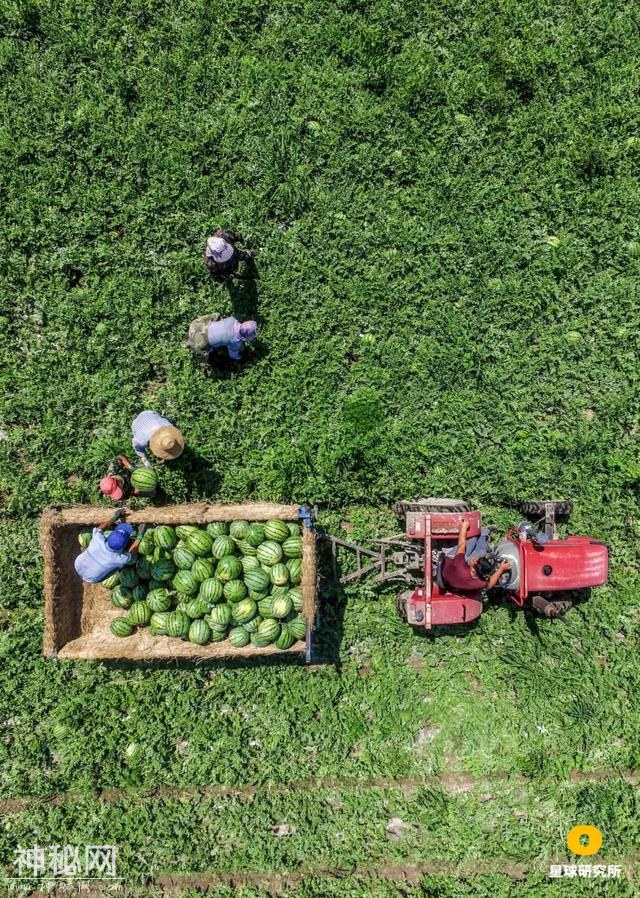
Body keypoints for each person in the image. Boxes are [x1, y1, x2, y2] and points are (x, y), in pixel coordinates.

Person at [74, 510, 147, 584]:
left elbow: (101, 528)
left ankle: (90, 566)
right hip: (92, 578)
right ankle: (87, 578)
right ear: (124, 546)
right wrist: (139, 537)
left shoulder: (97, 540)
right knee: (119, 567)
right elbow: (132, 552)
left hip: (78, 565)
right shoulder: (119, 559)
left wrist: (114, 517)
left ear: (109, 536)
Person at [441, 519, 510, 593]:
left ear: (475, 564)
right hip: (454, 574)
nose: (475, 558)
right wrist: (501, 569)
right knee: (482, 552)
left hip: (448, 562)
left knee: (473, 539)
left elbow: (461, 546)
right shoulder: (478, 581)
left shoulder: (460, 566)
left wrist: (463, 527)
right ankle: (484, 533)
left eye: (475, 559)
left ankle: (482, 533)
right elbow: (489, 585)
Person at [187, 313, 257, 362]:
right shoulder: (236, 340)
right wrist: (238, 357)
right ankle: (196, 348)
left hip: (195, 326)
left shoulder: (233, 320)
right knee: (208, 350)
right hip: (198, 342)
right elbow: (232, 354)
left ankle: (192, 335)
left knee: (216, 316)